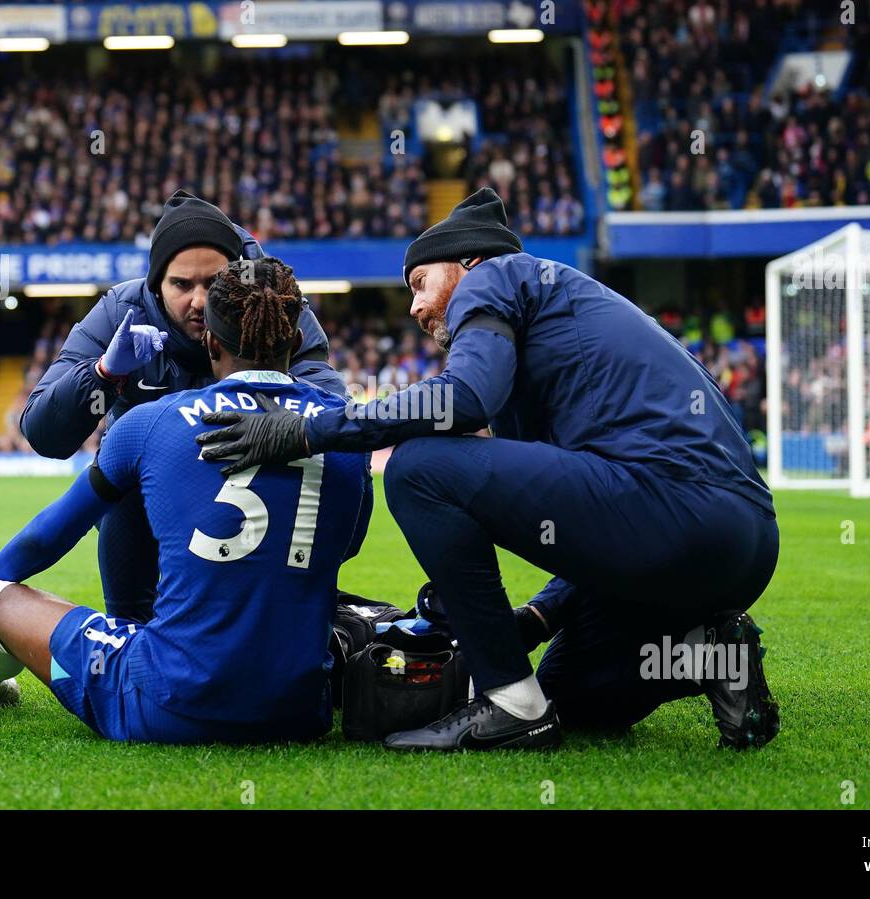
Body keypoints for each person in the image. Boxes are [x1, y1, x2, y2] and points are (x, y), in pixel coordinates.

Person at [195, 188, 781, 752]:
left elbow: (463, 399)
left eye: (420, 283)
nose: (416, 307)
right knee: (572, 695)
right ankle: (710, 653)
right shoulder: (558, 317)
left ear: (467, 262)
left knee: (419, 466)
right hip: (738, 541)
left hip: (677, 510)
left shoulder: (495, 276)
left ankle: (509, 703)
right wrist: (538, 615)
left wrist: (305, 430)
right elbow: (600, 503)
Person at [0, 258, 369, 745]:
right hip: (301, 711)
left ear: (211, 342)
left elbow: (51, 532)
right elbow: (345, 544)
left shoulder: (151, 422)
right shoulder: (347, 430)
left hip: (168, 705)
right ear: (300, 340)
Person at [20, 189, 366, 624]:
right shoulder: (121, 311)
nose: (199, 301)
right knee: (123, 484)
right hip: (146, 501)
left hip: (254, 487)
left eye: (213, 283)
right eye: (181, 285)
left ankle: (282, 616)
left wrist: (281, 423)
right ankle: (131, 626)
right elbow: (43, 433)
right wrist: (105, 373)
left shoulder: (272, 305)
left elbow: (334, 412)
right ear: (155, 285)